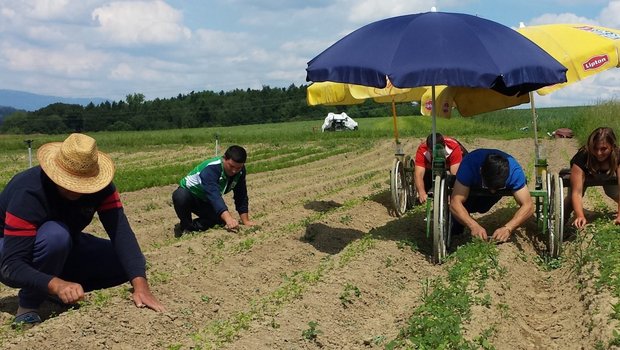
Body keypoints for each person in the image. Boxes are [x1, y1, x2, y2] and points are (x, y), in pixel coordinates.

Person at [0, 133, 165, 326]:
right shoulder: (29, 192)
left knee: (125, 264)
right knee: (56, 235)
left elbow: (121, 233)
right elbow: (12, 263)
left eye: (84, 184)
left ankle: (52, 288)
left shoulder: (102, 188)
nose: (77, 190)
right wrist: (56, 284)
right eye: (69, 182)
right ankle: (28, 305)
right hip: (10, 253)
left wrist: (141, 286)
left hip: (62, 245)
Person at [450, 149, 534, 242]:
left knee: (483, 208)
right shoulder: (469, 166)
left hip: (489, 192)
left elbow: (528, 205)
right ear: (481, 171)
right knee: (463, 211)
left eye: (498, 187)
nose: (493, 191)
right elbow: (455, 202)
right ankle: (456, 233)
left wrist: (508, 228)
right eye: (489, 186)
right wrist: (473, 225)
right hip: (473, 184)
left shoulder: (514, 173)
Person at [172, 145, 255, 237]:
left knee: (220, 221)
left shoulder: (240, 172)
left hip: (206, 200)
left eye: (238, 167)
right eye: (231, 166)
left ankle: (193, 226)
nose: (234, 170)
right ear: (224, 159)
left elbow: (241, 194)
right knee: (180, 196)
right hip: (190, 195)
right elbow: (214, 195)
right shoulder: (211, 169)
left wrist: (245, 221)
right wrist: (228, 218)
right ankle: (185, 226)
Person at [565, 127, 620, 229]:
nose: (599, 153)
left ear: (612, 146)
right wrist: (580, 215)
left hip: (608, 175)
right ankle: (563, 224)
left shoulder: (618, 156)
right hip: (585, 175)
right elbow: (576, 193)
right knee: (570, 203)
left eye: (603, 149)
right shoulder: (582, 157)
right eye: (595, 148)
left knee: (613, 192)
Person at [414, 133, 467, 203]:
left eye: (437, 152)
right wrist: (422, 192)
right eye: (431, 151)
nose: (434, 154)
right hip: (430, 168)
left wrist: (453, 194)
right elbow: (418, 174)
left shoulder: (453, 147)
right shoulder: (422, 150)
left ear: (443, 147)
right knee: (426, 188)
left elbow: (455, 175)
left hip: (454, 161)